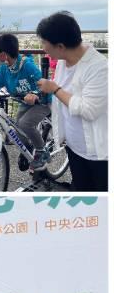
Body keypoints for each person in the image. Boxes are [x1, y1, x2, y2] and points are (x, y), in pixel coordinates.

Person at [36, 11, 107, 191]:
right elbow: (62, 101)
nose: (43, 48)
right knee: (83, 194)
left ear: (60, 46)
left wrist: (55, 89)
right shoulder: (62, 62)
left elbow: (89, 109)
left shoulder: (99, 68)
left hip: (99, 154)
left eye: (44, 42)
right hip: (74, 148)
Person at [0, 33, 53, 170]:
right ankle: (29, 150)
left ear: (3, 55)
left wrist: (35, 94)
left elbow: (43, 85)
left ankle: (42, 150)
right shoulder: (5, 69)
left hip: (42, 102)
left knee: (25, 124)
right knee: (18, 129)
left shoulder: (27, 66)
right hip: (24, 103)